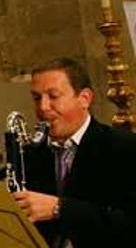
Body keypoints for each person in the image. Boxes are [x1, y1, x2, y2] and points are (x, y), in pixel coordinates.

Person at [13, 57, 136, 247]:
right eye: (37, 98)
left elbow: (128, 224)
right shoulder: (32, 153)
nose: (43, 107)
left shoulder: (123, 147)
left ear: (84, 99)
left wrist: (59, 208)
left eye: (53, 96)